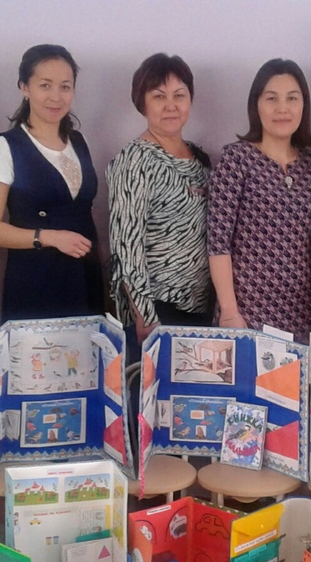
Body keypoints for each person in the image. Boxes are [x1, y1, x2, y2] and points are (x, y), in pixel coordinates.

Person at [0, 44, 104, 321]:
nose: (56, 97)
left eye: (65, 87)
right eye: (45, 85)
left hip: (84, 275)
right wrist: (49, 238)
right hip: (35, 278)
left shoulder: (79, 142)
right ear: (24, 87)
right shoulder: (7, 146)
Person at [207, 59, 311, 342]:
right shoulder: (236, 160)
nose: (282, 108)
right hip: (246, 313)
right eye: (272, 98)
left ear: (303, 105)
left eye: (292, 98)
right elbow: (218, 242)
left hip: (302, 312)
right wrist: (229, 311)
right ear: (256, 105)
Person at [107, 53, 212, 346]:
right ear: (142, 103)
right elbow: (126, 245)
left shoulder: (199, 158)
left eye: (179, 95)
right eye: (158, 96)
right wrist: (145, 314)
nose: (171, 105)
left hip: (202, 307)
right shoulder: (135, 160)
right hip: (158, 310)